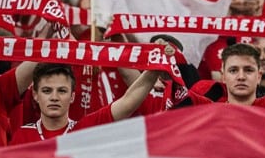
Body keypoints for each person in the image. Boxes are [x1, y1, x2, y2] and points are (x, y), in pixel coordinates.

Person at [10, 61, 172, 144]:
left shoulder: (84, 130)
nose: (54, 97)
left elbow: (128, 102)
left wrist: (156, 65)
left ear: (72, 96)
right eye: (47, 91)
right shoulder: (22, 136)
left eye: (62, 91)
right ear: (35, 95)